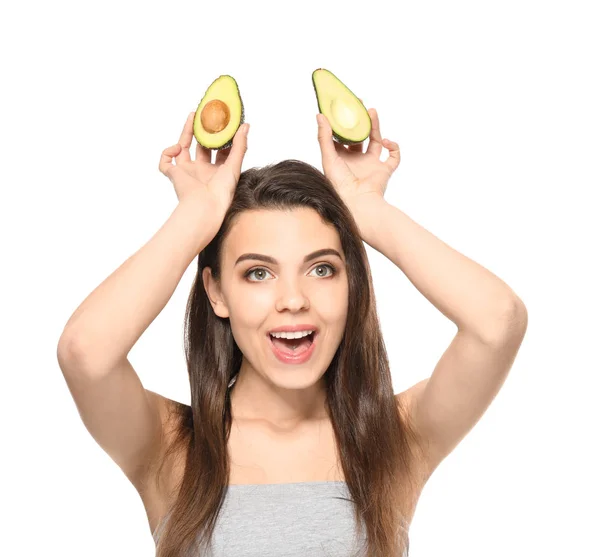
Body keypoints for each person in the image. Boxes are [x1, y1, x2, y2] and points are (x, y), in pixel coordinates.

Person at [57, 108, 528, 557]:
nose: (293, 299)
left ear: (351, 285)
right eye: (258, 273)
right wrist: (196, 217)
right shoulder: (171, 445)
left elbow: (497, 321)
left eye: (321, 269)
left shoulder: (394, 438)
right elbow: (85, 352)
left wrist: (368, 210)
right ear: (216, 292)